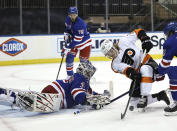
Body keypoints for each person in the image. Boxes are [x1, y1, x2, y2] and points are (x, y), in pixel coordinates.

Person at [100, 29, 170, 111]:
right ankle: (161, 96)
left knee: (144, 69)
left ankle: (144, 97)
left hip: (148, 63)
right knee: (134, 103)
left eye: (111, 51)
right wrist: (132, 74)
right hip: (139, 74)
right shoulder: (115, 64)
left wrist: (145, 39)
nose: (111, 54)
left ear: (113, 46)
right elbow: (126, 69)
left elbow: (138, 31)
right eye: (108, 54)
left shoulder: (123, 41)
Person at [0, 62, 110, 112]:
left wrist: (102, 97)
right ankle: (9, 96)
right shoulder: (80, 78)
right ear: (86, 72)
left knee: (34, 97)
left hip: (54, 90)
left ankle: (9, 94)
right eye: (90, 73)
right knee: (30, 101)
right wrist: (88, 101)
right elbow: (76, 93)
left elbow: (90, 93)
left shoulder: (81, 80)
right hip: (57, 94)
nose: (90, 75)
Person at [62, 6, 95, 79]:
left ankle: (91, 70)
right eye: (71, 15)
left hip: (84, 42)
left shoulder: (81, 24)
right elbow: (67, 29)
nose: (72, 16)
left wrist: (68, 47)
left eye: (74, 15)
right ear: (68, 15)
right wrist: (66, 35)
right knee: (69, 57)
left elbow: (78, 40)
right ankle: (70, 75)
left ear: (77, 14)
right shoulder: (68, 19)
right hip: (74, 41)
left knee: (83, 62)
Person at [158, 21, 177, 116]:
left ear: (170, 32)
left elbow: (165, 65)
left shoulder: (170, 42)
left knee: (173, 72)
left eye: (166, 34)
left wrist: (159, 72)